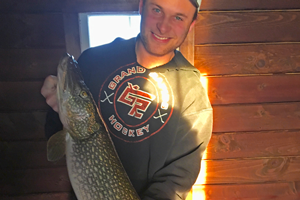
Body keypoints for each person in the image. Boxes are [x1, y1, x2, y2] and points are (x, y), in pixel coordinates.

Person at [41, 0, 213, 199]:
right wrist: (56, 105)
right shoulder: (92, 60)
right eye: (157, 10)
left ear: (191, 24)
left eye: (178, 17)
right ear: (141, 7)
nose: (163, 26)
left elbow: (176, 180)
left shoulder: (193, 96)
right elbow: (57, 137)